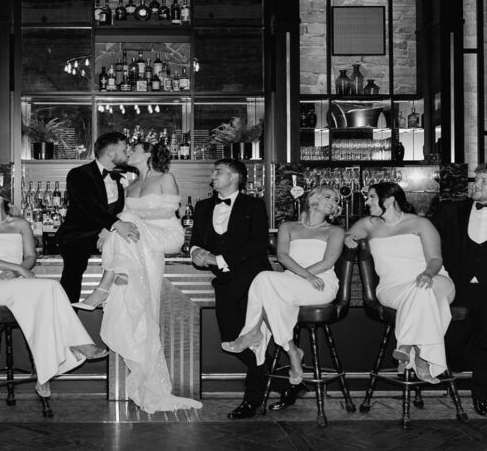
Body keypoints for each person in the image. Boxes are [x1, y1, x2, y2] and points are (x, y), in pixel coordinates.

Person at [77, 140, 202, 412]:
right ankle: (120, 275)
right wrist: (110, 228)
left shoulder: (165, 177)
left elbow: (168, 212)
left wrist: (118, 224)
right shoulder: (129, 185)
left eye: (133, 149)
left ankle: (105, 285)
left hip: (166, 235)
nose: (128, 152)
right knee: (143, 306)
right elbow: (122, 220)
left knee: (126, 223)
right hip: (140, 243)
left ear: (147, 154)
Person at [0, 182, 109, 397]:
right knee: (50, 286)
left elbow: (31, 257)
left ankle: (44, 375)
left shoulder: (21, 224)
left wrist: (18, 271)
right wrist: (16, 268)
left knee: (43, 310)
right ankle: (80, 343)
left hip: (16, 280)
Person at [224, 186, 344, 389]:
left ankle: (253, 332)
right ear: (313, 198)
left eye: (336, 199)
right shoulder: (288, 226)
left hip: (320, 284)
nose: (334, 201)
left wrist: (306, 277)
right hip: (292, 281)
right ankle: (292, 351)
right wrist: (304, 275)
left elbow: (328, 261)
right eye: (328, 196)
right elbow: (282, 256)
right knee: (267, 284)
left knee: (264, 280)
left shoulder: (335, 231)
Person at [345, 182, 455, 384]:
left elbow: (435, 260)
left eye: (371, 197)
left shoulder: (421, 223)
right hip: (391, 287)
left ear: (389, 200)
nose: (367, 201)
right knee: (421, 294)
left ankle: (406, 344)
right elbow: (348, 234)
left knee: (422, 289)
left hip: (433, 278)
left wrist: (427, 274)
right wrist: (348, 238)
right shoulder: (369, 223)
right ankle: (420, 354)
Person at [431, 163, 487, 417]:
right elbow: (424, 236)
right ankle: (442, 387)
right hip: (457, 289)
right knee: (451, 342)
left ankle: (482, 397)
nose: (476, 185)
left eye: (483, 182)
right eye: (476, 180)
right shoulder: (450, 210)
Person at [189, 158, 272, 419]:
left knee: (254, 340)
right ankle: (285, 378)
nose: (212, 175)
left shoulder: (254, 205)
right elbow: (194, 241)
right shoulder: (203, 207)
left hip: (253, 281)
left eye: (218, 172)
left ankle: (252, 399)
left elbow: (259, 245)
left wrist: (220, 259)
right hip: (224, 283)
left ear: (235, 177)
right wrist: (196, 252)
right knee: (230, 339)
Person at [56, 131, 138, 302]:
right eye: (124, 150)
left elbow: (120, 210)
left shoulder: (119, 178)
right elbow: (88, 205)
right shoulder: (79, 174)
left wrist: (110, 229)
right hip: (79, 235)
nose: (127, 154)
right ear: (110, 153)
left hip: (108, 234)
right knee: (74, 269)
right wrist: (115, 224)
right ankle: (66, 317)